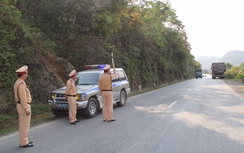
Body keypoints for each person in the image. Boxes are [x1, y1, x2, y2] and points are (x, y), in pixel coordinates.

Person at [13, 65, 34, 147]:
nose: (27, 75)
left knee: (24, 124)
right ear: (24, 74)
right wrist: (26, 108)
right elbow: (23, 98)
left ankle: (25, 140)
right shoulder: (21, 84)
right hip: (23, 106)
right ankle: (24, 142)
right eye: (26, 73)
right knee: (24, 125)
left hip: (20, 105)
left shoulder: (17, 82)